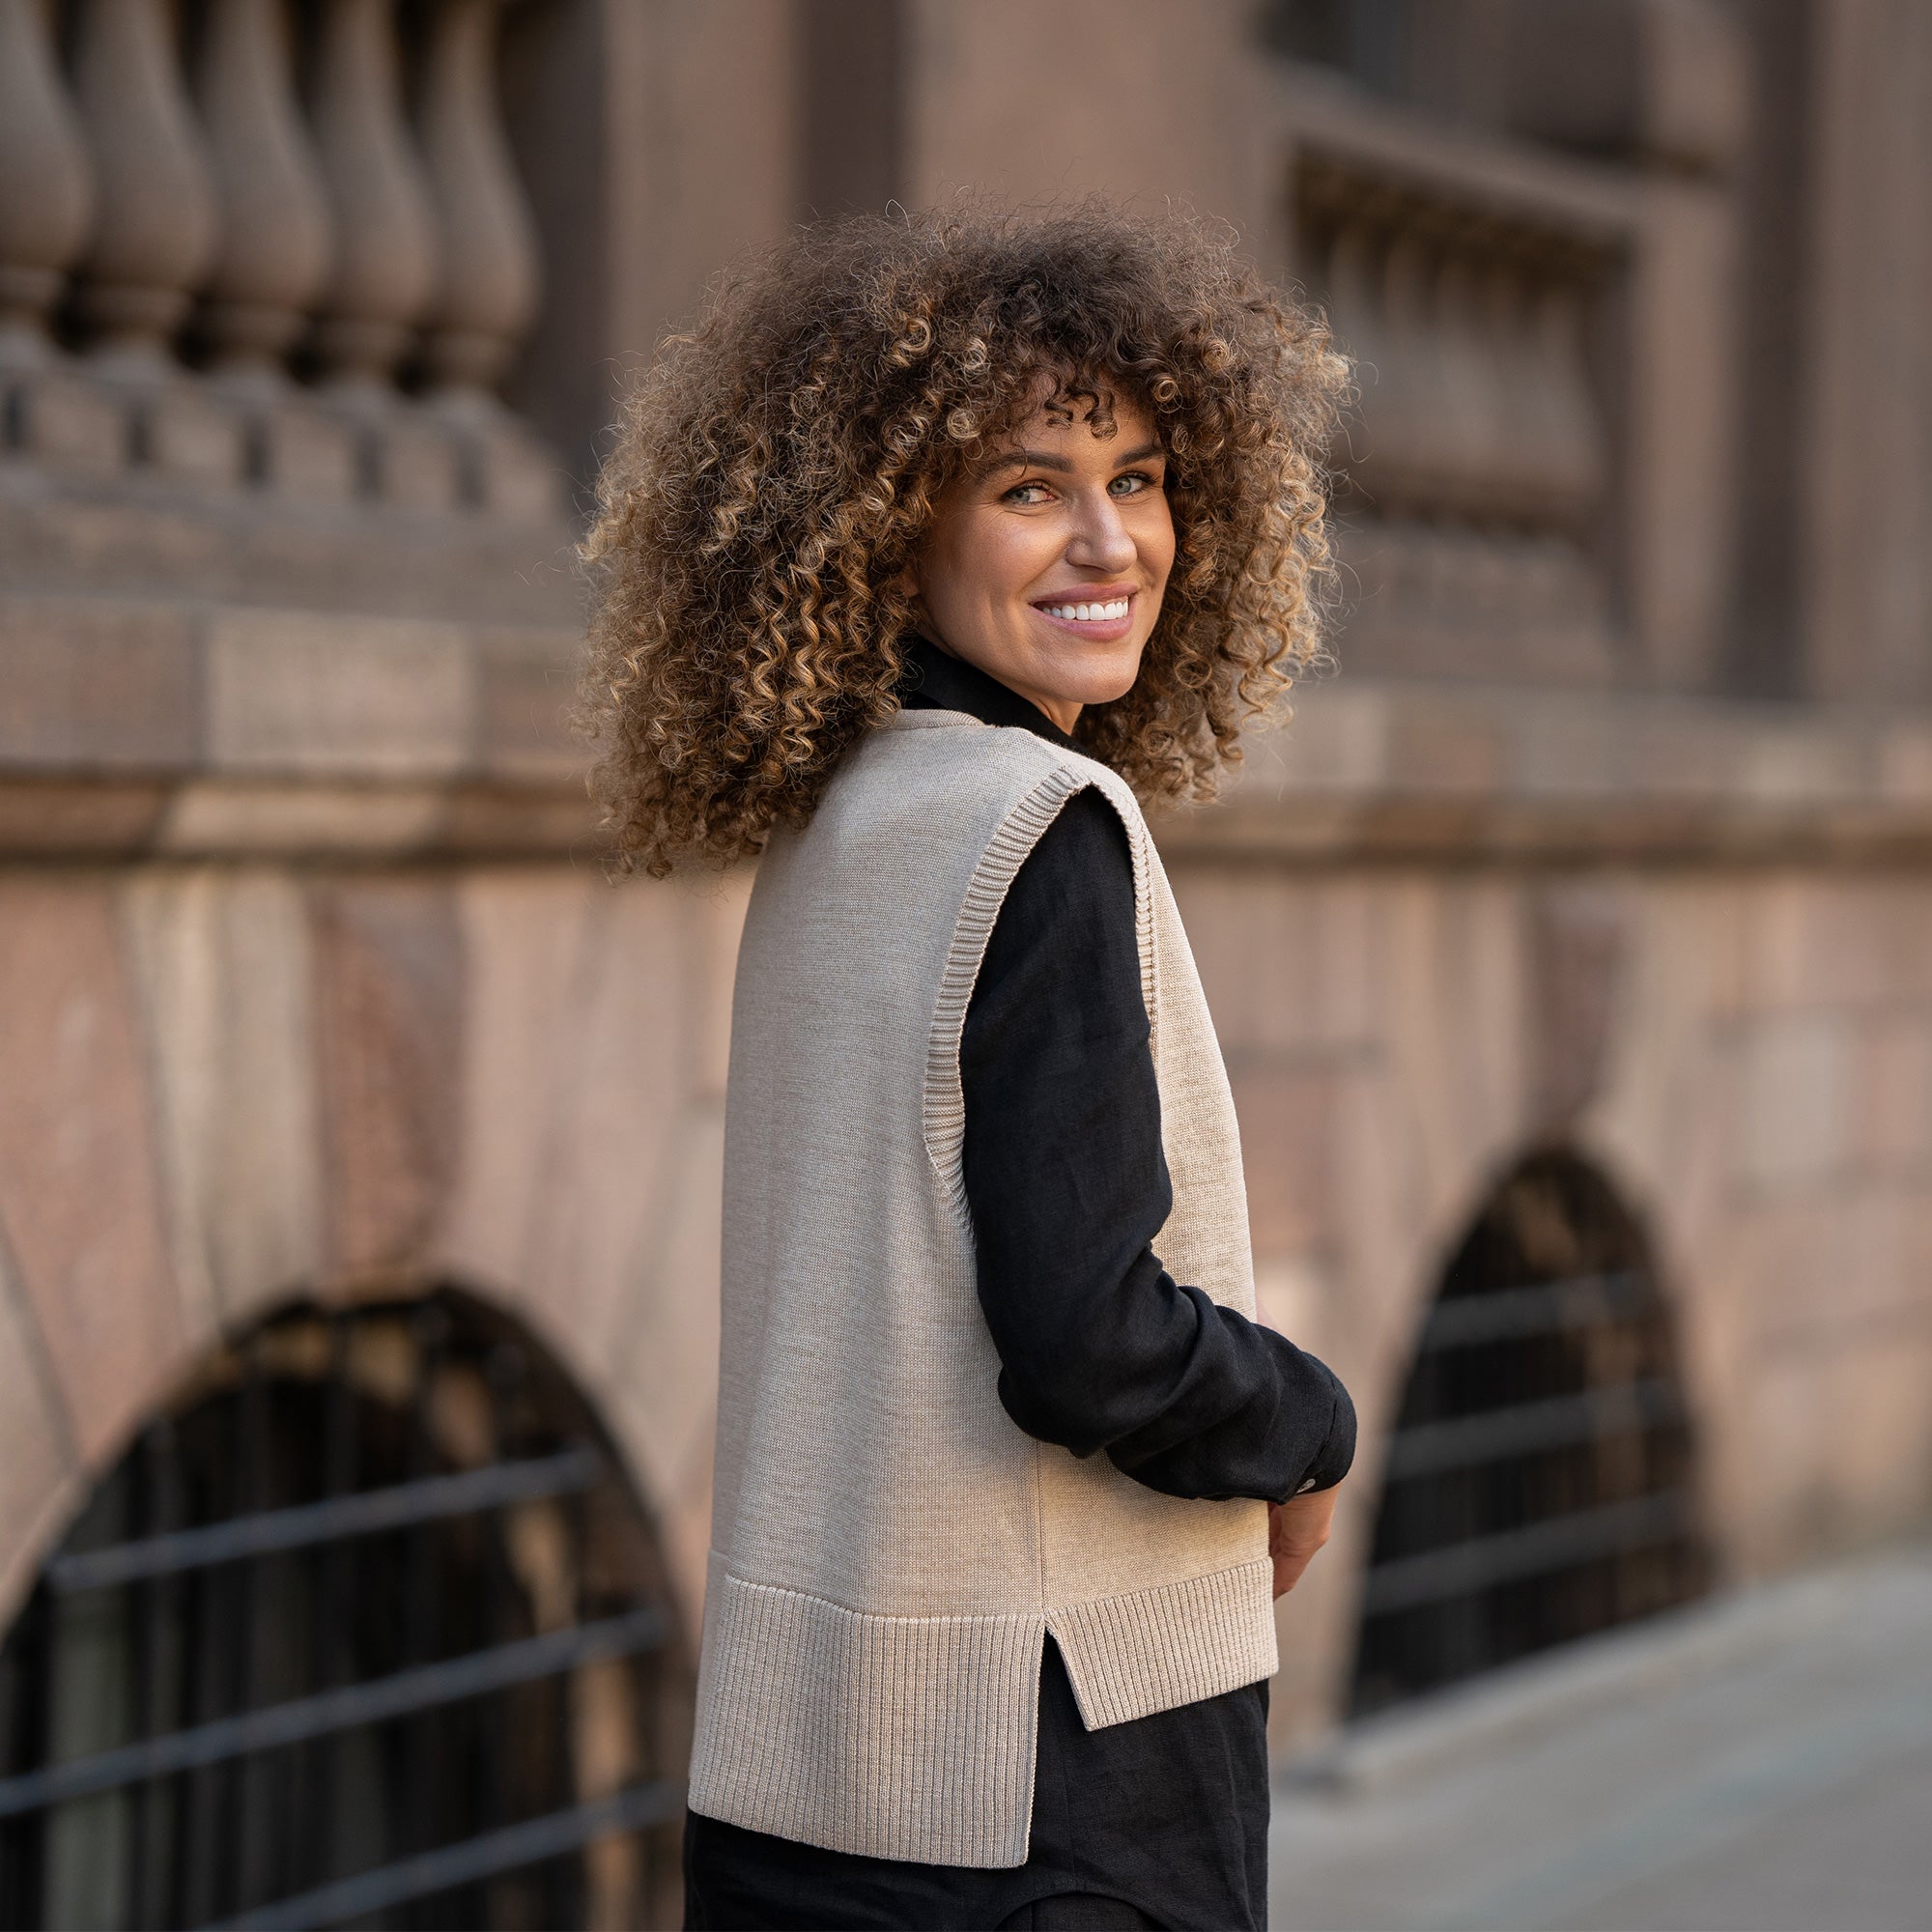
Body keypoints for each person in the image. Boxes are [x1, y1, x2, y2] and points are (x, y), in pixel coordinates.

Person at [581, 206, 1356, 1932]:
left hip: (810, 1781)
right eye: (1028, 488)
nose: (1109, 540)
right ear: (887, 535)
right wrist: (1308, 1426)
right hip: (1051, 1779)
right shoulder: (1039, 823)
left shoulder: (846, 823)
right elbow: (1089, 1343)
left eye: (1139, 478)